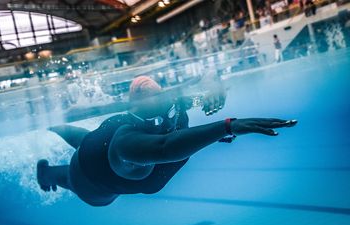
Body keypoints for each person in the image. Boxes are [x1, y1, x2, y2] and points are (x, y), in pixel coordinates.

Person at [37, 76, 297, 207]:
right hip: (92, 181)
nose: (169, 119)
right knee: (72, 172)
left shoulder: (173, 108)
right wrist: (227, 126)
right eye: (158, 115)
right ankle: (46, 172)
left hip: (98, 145)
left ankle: (55, 127)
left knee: (88, 140)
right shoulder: (126, 142)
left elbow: (203, 86)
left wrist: (213, 86)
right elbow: (164, 148)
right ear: (141, 117)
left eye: (169, 108)